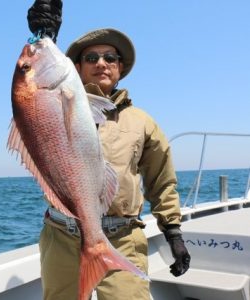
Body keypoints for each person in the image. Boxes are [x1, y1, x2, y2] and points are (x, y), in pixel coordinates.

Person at [27, 1, 191, 300]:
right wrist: (43, 38)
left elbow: (162, 182)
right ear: (76, 67)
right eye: (91, 57)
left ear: (120, 68)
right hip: (61, 234)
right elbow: (34, 89)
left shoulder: (142, 122)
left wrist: (173, 232)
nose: (101, 63)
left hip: (122, 236)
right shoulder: (56, 99)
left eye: (110, 58)